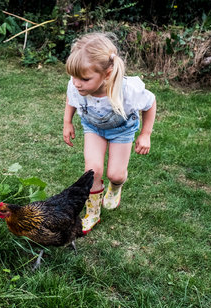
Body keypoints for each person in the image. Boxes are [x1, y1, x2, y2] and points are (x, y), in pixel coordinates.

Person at [62, 32, 157, 233]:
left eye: (84, 79)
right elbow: (71, 99)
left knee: (116, 173)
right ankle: (93, 213)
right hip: (93, 128)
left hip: (121, 131)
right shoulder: (76, 85)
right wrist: (67, 122)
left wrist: (145, 134)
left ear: (107, 73)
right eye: (73, 77)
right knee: (93, 171)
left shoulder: (127, 89)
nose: (77, 83)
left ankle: (116, 186)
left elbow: (150, 103)